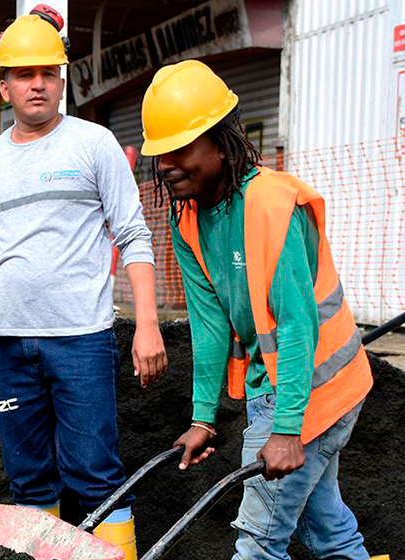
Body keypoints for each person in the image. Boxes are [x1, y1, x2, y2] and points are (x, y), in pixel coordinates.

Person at [0, 6, 166, 559]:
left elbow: (133, 234)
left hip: (81, 341)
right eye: (24, 74)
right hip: (7, 342)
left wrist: (148, 325)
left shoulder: (94, 144)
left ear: (62, 78)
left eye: (48, 73)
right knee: (30, 481)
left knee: (95, 476)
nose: (37, 84)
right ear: (5, 84)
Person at [142, 59, 386, 560]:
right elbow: (209, 327)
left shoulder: (271, 205)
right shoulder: (187, 217)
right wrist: (203, 418)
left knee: (258, 541)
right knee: (326, 528)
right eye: (159, 152)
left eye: (180, 148)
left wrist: (287, 430)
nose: (166, 164)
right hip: (277, 388)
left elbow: (297, 327)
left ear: (222, 143)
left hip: (313, 387)